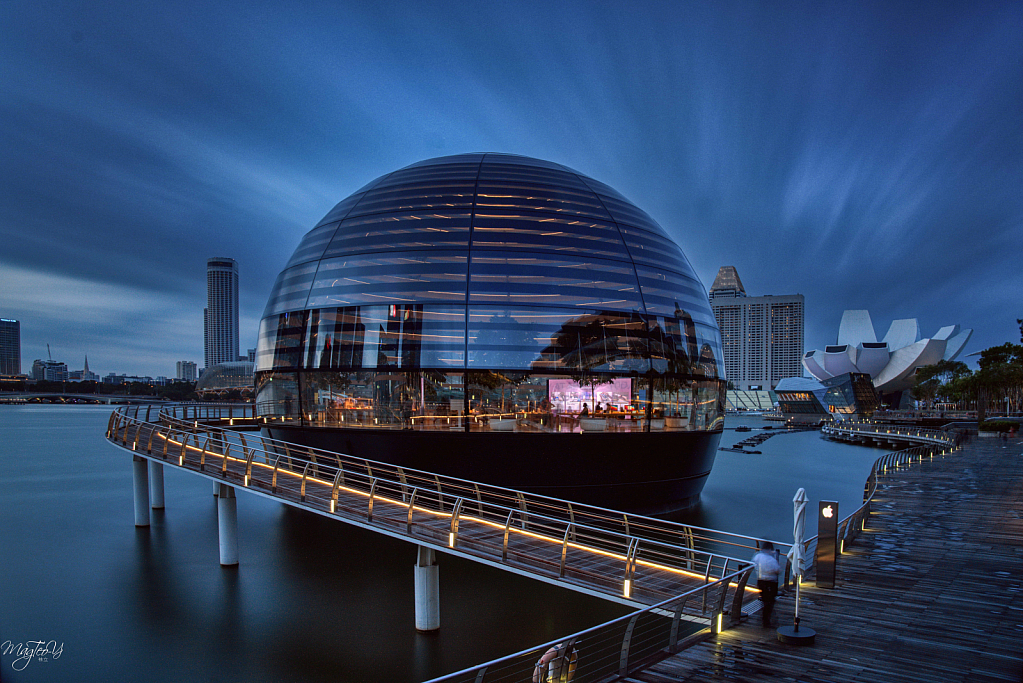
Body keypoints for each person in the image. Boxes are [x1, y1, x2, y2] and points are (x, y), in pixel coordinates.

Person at [751, 541, 781, 627]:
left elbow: (753, 563)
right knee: (770, 601)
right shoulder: (772, 560)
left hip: (760, 581)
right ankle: (766, 619)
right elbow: (777, 570)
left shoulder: (758, 556)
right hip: (771, 582)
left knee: (765, 599)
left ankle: (765, 617)